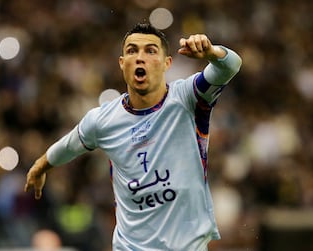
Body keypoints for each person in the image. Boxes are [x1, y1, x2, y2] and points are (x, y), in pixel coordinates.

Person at [24, 22, 242, 251]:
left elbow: (230, 66)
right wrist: (41, 166)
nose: (140, 57)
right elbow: (69, 146)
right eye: (131, 50)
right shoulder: (102, 120)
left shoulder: (188, 98)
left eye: (150, 50)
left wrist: (212, 52)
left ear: (167, 63)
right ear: (122, 63)